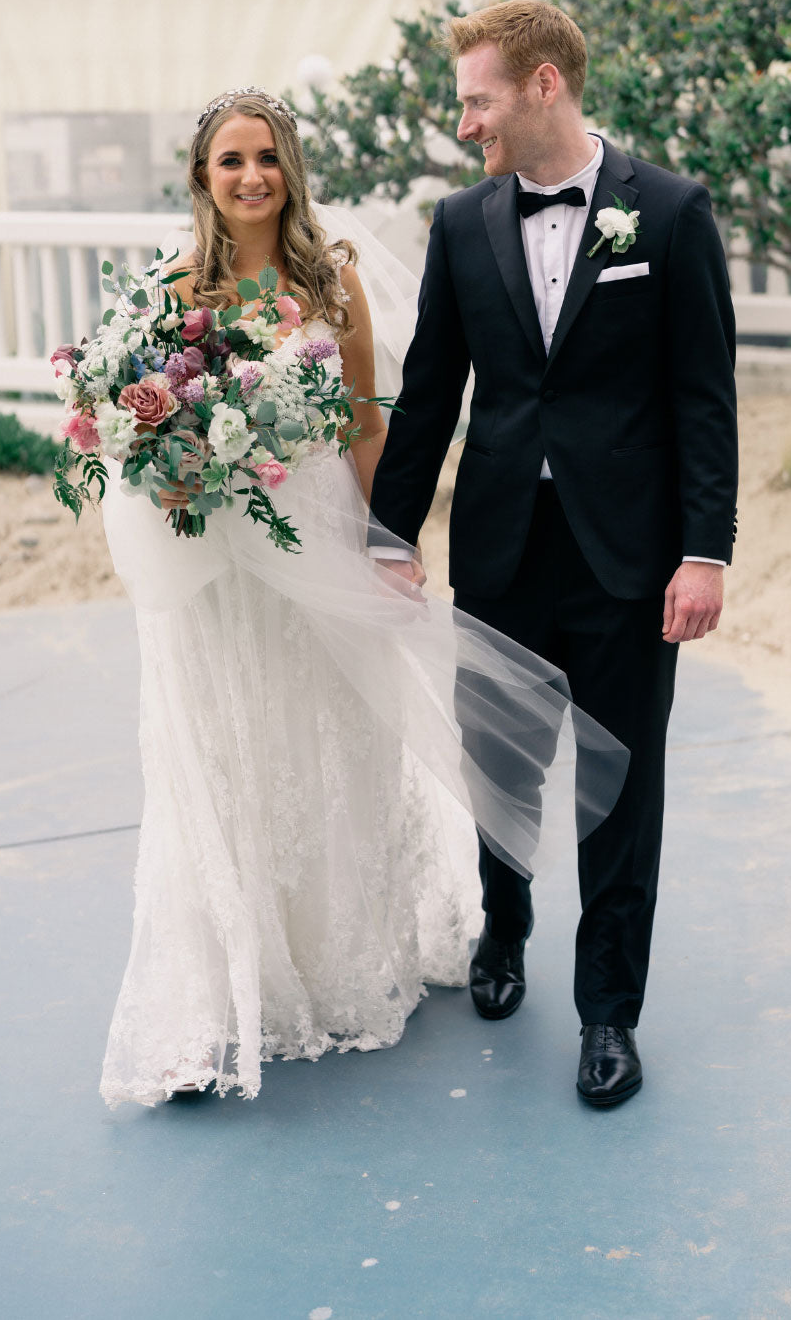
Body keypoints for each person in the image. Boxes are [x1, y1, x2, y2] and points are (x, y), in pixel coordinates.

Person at [97, 86, 628, 1106]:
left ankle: (335, 959)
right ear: (202, 179)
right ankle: (215, 1004)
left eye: (267, 158)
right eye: (229, 162)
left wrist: (390, 544)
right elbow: (132, 427)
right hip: (218, 574)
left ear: (291, 168)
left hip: (321, 545)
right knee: (222, 757)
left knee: (323, 744)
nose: (252, 177)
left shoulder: (331, 279)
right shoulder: (169, 288)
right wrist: (162, 466)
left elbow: (367, 422)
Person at [369, 1, 739, 1107]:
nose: (465, 119)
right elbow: (431, 391)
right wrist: (391, 536)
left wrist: (703, 552)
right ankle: (504, 929)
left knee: (623, 794)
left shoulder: (668, 214)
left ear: (542, 85)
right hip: (501, 553)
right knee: (502, 773)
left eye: (478, 97)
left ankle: (609, 1016)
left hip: (630, 561)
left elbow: (703, 398)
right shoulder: (459, 223)